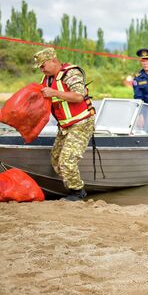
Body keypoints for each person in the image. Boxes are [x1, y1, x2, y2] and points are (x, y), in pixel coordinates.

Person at [33, 48, 96, 201]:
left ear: (53, 61)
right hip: (65, 126)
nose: (41, 69)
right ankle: (72, 182)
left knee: (67, 160)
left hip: (81, 122)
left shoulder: (71, 74)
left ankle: (77, 192)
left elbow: (79, 96)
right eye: (40, 67)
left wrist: (54, 93)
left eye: (43, 65)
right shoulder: (46, 78)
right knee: (56, 159)